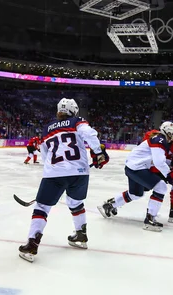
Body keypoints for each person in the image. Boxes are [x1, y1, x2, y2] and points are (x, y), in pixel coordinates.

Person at [18, 98, 106, 262]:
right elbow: (89, 133)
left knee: (42, 207)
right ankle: (81, 236)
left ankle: (32, 245)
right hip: (80, 173)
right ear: (74, 110)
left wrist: (51, 171)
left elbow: (45, 155)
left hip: (55, 173)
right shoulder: (77, 121)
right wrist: (98, 152)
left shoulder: (47, 129)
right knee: (76, 203)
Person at [97, 121, 173, 232]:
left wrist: (170, 168)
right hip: (137, 168)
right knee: (161, 187)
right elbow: (159, 162)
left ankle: (109, 205)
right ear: (167, 132)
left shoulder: (158, 138)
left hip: (132, 167)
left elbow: (158, 161)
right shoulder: (160, 140)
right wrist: (169, 175)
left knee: (136, 194)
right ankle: (150, 220)